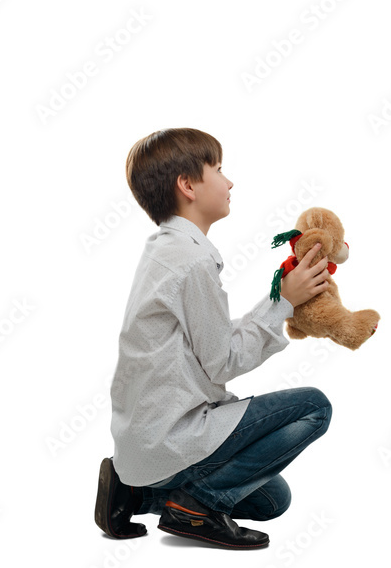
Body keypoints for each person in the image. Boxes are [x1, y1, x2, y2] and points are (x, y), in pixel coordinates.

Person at [94, 128, 333, 550]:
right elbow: (223, 361)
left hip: (145, 443)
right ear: (187, 186)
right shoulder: (191, 261)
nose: (230, 181)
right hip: (171, 434)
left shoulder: (165, 249)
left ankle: (137, 492)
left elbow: (210, 345)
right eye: (219, 170)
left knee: (272, 499)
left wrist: (282, 299)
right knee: (314, 406)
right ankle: (196, 506)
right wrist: (283, 302)